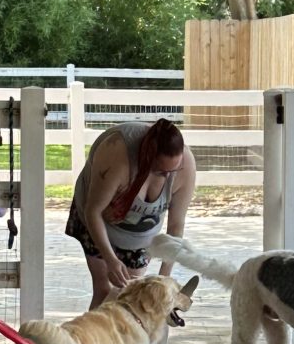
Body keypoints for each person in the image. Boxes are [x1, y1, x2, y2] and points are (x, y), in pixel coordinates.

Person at [66, 116, 197, 308]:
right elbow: (93, 211)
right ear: (147, 157)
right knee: (104, 291)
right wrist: (110, 260)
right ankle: (92, 337)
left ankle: (126, 337)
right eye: (160, 171)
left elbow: (176, 226)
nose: (168, 176)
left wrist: (164, 277)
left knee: (127, 297)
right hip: (95, 219)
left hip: (140, 230)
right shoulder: (116, 155)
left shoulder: (186, 166)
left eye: (173, 170)